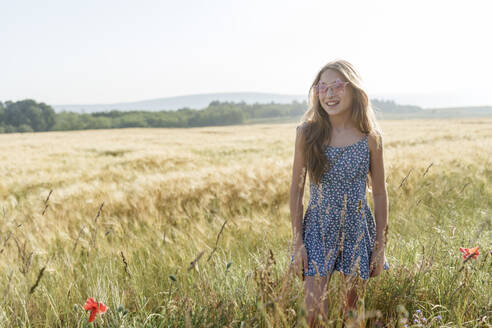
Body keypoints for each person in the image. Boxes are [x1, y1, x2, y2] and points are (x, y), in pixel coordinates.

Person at [289, 59, 389, 327]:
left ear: (353, 89)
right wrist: (297, 242)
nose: (329, 94)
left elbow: (379, 193)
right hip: (317, 228)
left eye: (336, 86)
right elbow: (296, 191)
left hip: (357, 228)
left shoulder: (371, 138)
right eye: (323, 87)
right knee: (313, 314)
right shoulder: (307, 133)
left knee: (352, 314)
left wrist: (380, 246)